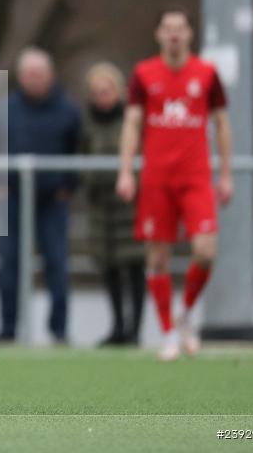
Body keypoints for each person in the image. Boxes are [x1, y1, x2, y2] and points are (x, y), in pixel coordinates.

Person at [116, 9, 232, 361]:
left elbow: (222, 125)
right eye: (168, 29)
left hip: (196, 177)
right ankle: (167, 332)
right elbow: (132, 124)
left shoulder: (207, 74)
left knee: (205, 252)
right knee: (158, 255)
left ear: (190, 34)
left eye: (180, 28)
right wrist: (125, 170)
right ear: (158, 35)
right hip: (157, 178)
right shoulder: (143, 74)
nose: (174, 35)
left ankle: (184, 313)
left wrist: (225, 173)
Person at [0, 47, 81, 344]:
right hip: (14, 197)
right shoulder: (5, 110)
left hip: (53, 201)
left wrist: (69, 186)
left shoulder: (68, 111)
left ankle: (59, 330)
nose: (34, 79)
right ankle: (7, 329)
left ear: (50, 75)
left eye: (39, 74)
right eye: (29, 74)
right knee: (9, 265)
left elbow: (79, 150)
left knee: (56, 264)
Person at [81, 63, 145, 346]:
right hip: (101, 205)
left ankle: (135, 329)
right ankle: (118, 326)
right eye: (96, 92)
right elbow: (80, 156)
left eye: (106, 91)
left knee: (135, 267)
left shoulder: (134, 120)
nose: (102, 97)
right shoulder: (86, 123)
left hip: (131, 204)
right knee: (108, 267)